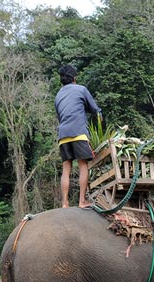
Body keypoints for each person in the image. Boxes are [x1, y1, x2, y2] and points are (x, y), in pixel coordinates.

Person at [54, 64, 102, 208]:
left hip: (63, 135)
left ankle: (65, 203)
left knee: (66, 168)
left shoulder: (58, 95)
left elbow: (60, 117)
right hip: (78, 132)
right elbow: (96, 110)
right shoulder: (81, 89)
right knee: (83, 165)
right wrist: (99, 120)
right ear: (74, 78)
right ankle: (82, 201)